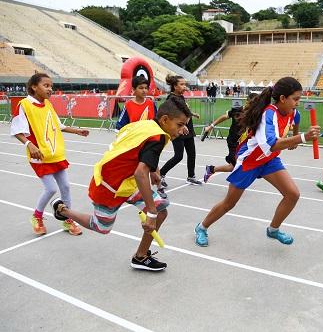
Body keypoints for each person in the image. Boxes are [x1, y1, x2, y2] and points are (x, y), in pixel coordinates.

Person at [50, 97, 191, 271]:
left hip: (127, 182)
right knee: (101, 227)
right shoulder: (157, 137)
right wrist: (151, 213)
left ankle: (140, 257)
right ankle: (62, 210)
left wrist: (153, 169)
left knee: (161, 208)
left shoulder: (147, 125)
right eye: (180, 124)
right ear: (164, 120)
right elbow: (140, 173)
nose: (182, 129)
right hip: (109, 186)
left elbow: (136, 149)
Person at [194, 77, 320, 247]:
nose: (298, 103)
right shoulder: (268, 114)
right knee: (229, 203)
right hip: (250, 162)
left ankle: (273, 230)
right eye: (295, 99)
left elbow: (295, 121)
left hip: (269, 160)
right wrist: (303, 137)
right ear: (282, 98)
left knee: (292, 194)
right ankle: (202, 227)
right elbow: (272, 144)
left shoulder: (293, 112)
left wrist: (295, 139)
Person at [10, 73, 88, 236]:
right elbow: (16, 130)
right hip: (40, 156)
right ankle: (36, 216)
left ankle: (67, 220)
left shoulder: (48, 105)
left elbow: (58, 126)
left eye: (51, 86)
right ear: (34, 87)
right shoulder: (25, 104)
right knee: (51, 188)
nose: (50, 89)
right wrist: (29, 144)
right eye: (46, 85)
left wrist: (77, 131)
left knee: (65, 187)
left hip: (56, 154)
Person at [157, 75, 202, 199]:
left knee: (192, 153)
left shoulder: (180, 97)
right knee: (178, 156)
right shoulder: (171, 99)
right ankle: (161, 174)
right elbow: (173, 116)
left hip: (188, 129)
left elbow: (183, 110)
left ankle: (191, 176)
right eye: (181, 84)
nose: (184, 87)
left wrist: (192, 114)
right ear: (175, 86)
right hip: (178, 131)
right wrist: (182, 125)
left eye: (184, 84)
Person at [202, 93, 259, 182]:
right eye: (252, 103)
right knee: (238, 165)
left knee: (233, 166)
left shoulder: (256, 114)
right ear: (247, 102)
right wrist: (211, 126)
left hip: (245, 143)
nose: (253, 106)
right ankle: (236, 187)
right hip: (233, 141)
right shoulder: (237, 110)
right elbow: (224, 117)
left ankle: (211, 169)